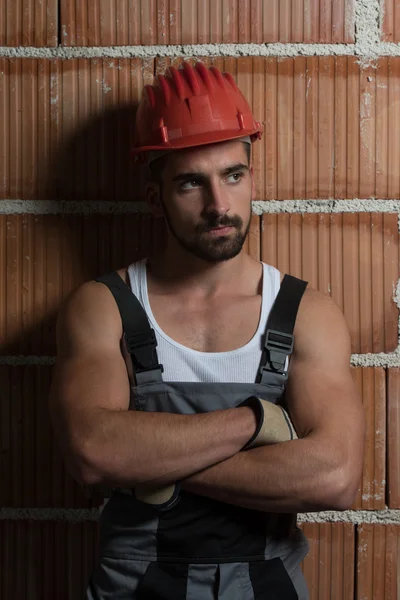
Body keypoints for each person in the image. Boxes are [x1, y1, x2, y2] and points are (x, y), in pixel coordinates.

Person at [49, 61, 365, 599]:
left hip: (266, 585)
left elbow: (335, 477)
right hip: (135, 586)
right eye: (192, 182)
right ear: (156, 199)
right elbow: (93, 451)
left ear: (251, 178)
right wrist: (256, 421)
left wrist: (153, 465)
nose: (219, 206)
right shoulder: (104, 306)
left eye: (233, 176)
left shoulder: (305, 311)